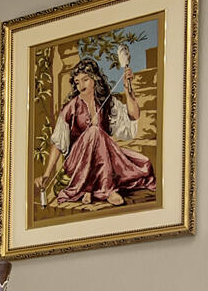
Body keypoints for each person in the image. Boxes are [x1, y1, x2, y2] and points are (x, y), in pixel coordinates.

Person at [42, 55, 155, 207]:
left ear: (95, 79)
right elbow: (57, 143)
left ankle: (91, 188)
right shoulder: (71, 107)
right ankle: (106, 190)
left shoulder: (106, 103)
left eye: (85, 80)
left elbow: (134, 115)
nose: (81, 85)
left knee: (144, 162)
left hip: (103, 158)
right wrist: (47, 174)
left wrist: (128, 89)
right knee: (94, 131)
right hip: (78, 162)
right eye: (77, 82)